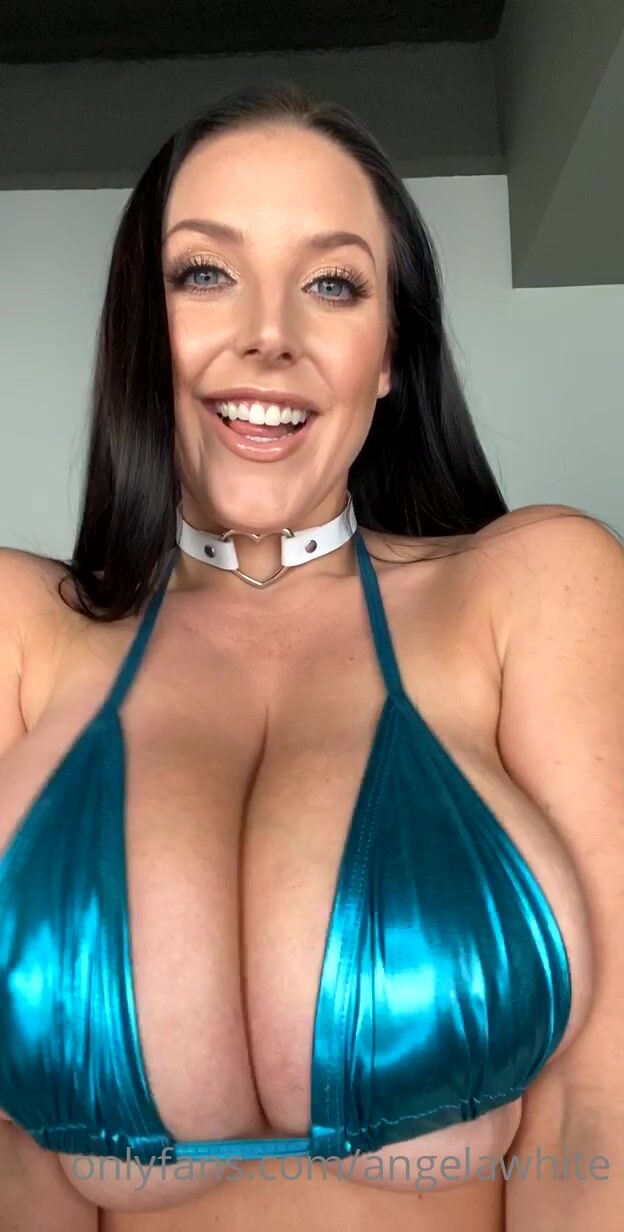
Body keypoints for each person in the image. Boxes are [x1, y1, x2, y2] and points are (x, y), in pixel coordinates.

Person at [0, 80, 622, 1232]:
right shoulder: (17, 636)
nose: (269, 336)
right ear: (140, 328)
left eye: (332, 283)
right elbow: (15, 1161)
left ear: (389, 354)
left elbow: (600, 1110)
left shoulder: (533, 592)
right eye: (204, 273)